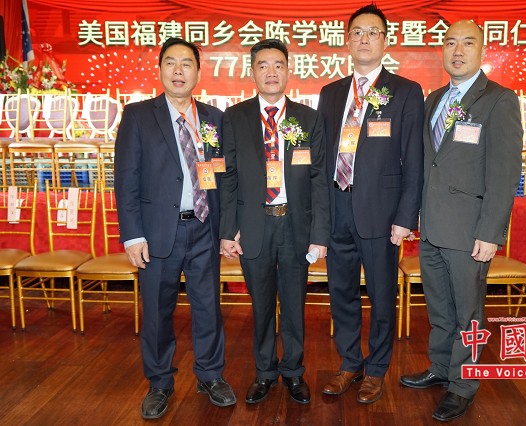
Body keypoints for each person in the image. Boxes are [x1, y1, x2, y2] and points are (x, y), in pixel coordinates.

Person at [399, 20, 523, 422]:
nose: (457, 51)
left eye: (467, 43)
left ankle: (463, 385)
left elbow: (505, 173)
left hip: (470, 232)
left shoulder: (499, 100)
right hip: (432, 228)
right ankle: (441, 367)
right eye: (450, 42)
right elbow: (428, 163)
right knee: (439, 308)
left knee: (468, 312)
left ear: (481, 50)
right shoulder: (434, 99)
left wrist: (490, 232)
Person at [115, 37, 236, 420]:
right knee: (156, 312)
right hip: (156, 234)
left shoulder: (214, 118)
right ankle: (160, 383)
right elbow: (126, 179)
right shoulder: (138, 115)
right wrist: (133, 235)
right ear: (160, 69)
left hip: (203, 228)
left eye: (187, 63)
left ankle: (210, 375)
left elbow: (222, 177)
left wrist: (226, 229)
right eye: (171, 62)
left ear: (198, 72)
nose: (179, 70)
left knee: (208, 308)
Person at [317, 4, 424, 404]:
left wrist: (405, 217)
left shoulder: (406, 91)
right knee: (341, 293)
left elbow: (414, 160)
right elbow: (322, 158)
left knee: (381, 296)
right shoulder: (330, 93)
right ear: (347, 40)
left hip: (382, 214)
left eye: (372, 32)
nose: (364, 39)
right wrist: (319, 216)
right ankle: (350, 363)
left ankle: (376, 369)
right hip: (336, 208)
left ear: (385, 41)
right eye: (357, 32)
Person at [219, 39, 330, 405]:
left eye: (278, 65)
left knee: (295, 305)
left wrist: (319, 234)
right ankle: (265, 372)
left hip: (296, 226)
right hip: (254, 226)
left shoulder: (308, 118)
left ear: (288, 71)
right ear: (252, 71)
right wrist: (227, 230)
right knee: (262, 305)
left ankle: (294, 372)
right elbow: (228, 177)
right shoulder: (234, 117)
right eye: (263, 65)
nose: (271, 72)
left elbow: (319, 179)